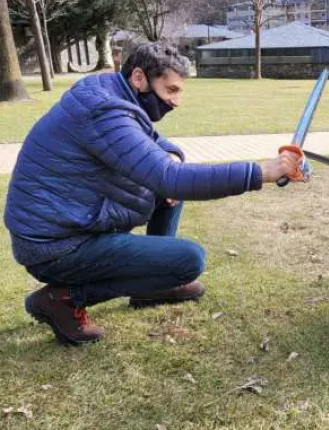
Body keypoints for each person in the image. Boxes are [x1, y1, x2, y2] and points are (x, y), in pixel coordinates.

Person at [4, 42, 301, 346]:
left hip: (68, 219)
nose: (176, 102)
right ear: (139, 78)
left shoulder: (109, 92)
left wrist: (170, 154)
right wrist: (261, 172)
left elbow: (151, 141)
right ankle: (63, 298)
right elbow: (170, 178)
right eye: (171, 90)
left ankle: (155, 287)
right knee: (189, 259)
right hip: (55, 246)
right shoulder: (103, 112)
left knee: (169, 189)